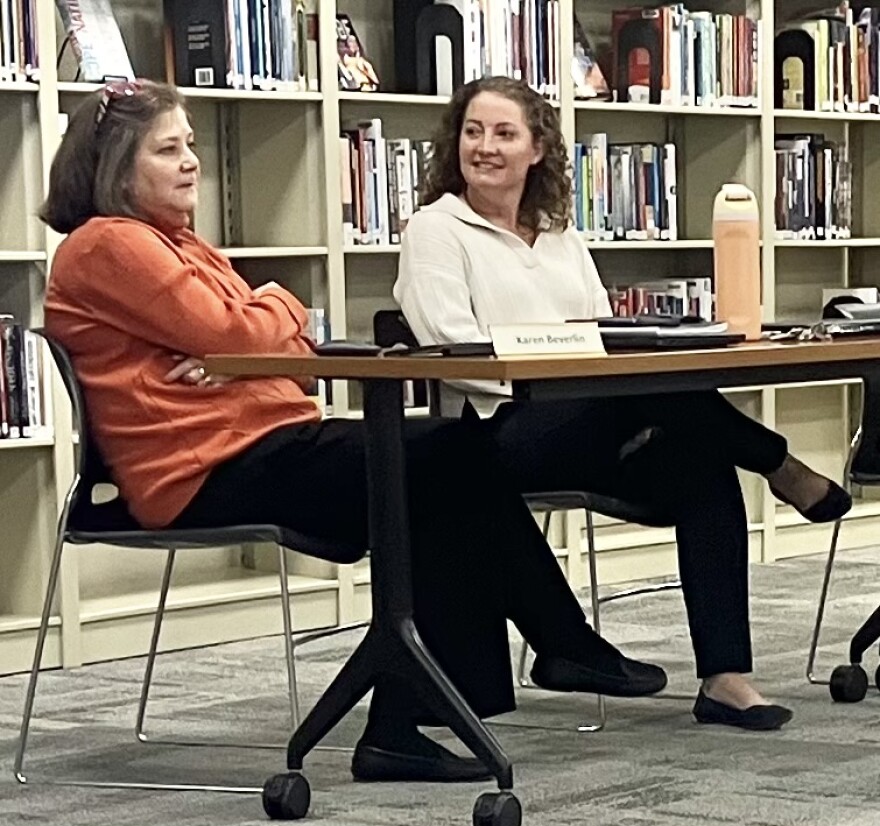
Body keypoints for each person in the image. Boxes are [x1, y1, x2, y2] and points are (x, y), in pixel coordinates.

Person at [39, 79, 671, 785]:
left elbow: (291, 349)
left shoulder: (177, 244)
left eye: (190, 145)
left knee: (441, 472)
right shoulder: (108, 245)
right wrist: (265, 317)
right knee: (446, 455)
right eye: (169, 149)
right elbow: (251, 328)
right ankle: (545, 648)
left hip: (261, 445)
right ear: (116, 166)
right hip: (204, 470)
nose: (192, 162)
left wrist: (252, 339)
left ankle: (425, 712)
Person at [395, 76, 852, 731]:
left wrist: (591, 367)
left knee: (697, 457)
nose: (485, 147)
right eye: (473, 132)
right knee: (642, 387)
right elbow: (451, 342)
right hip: (495, 431)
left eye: (504, 133)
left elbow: (607, 333)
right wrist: (563, 360)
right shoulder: (436, 229)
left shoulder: (558, 234)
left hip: (587, 420)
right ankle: (779, 465)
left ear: (537, 149)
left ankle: (726, 679)